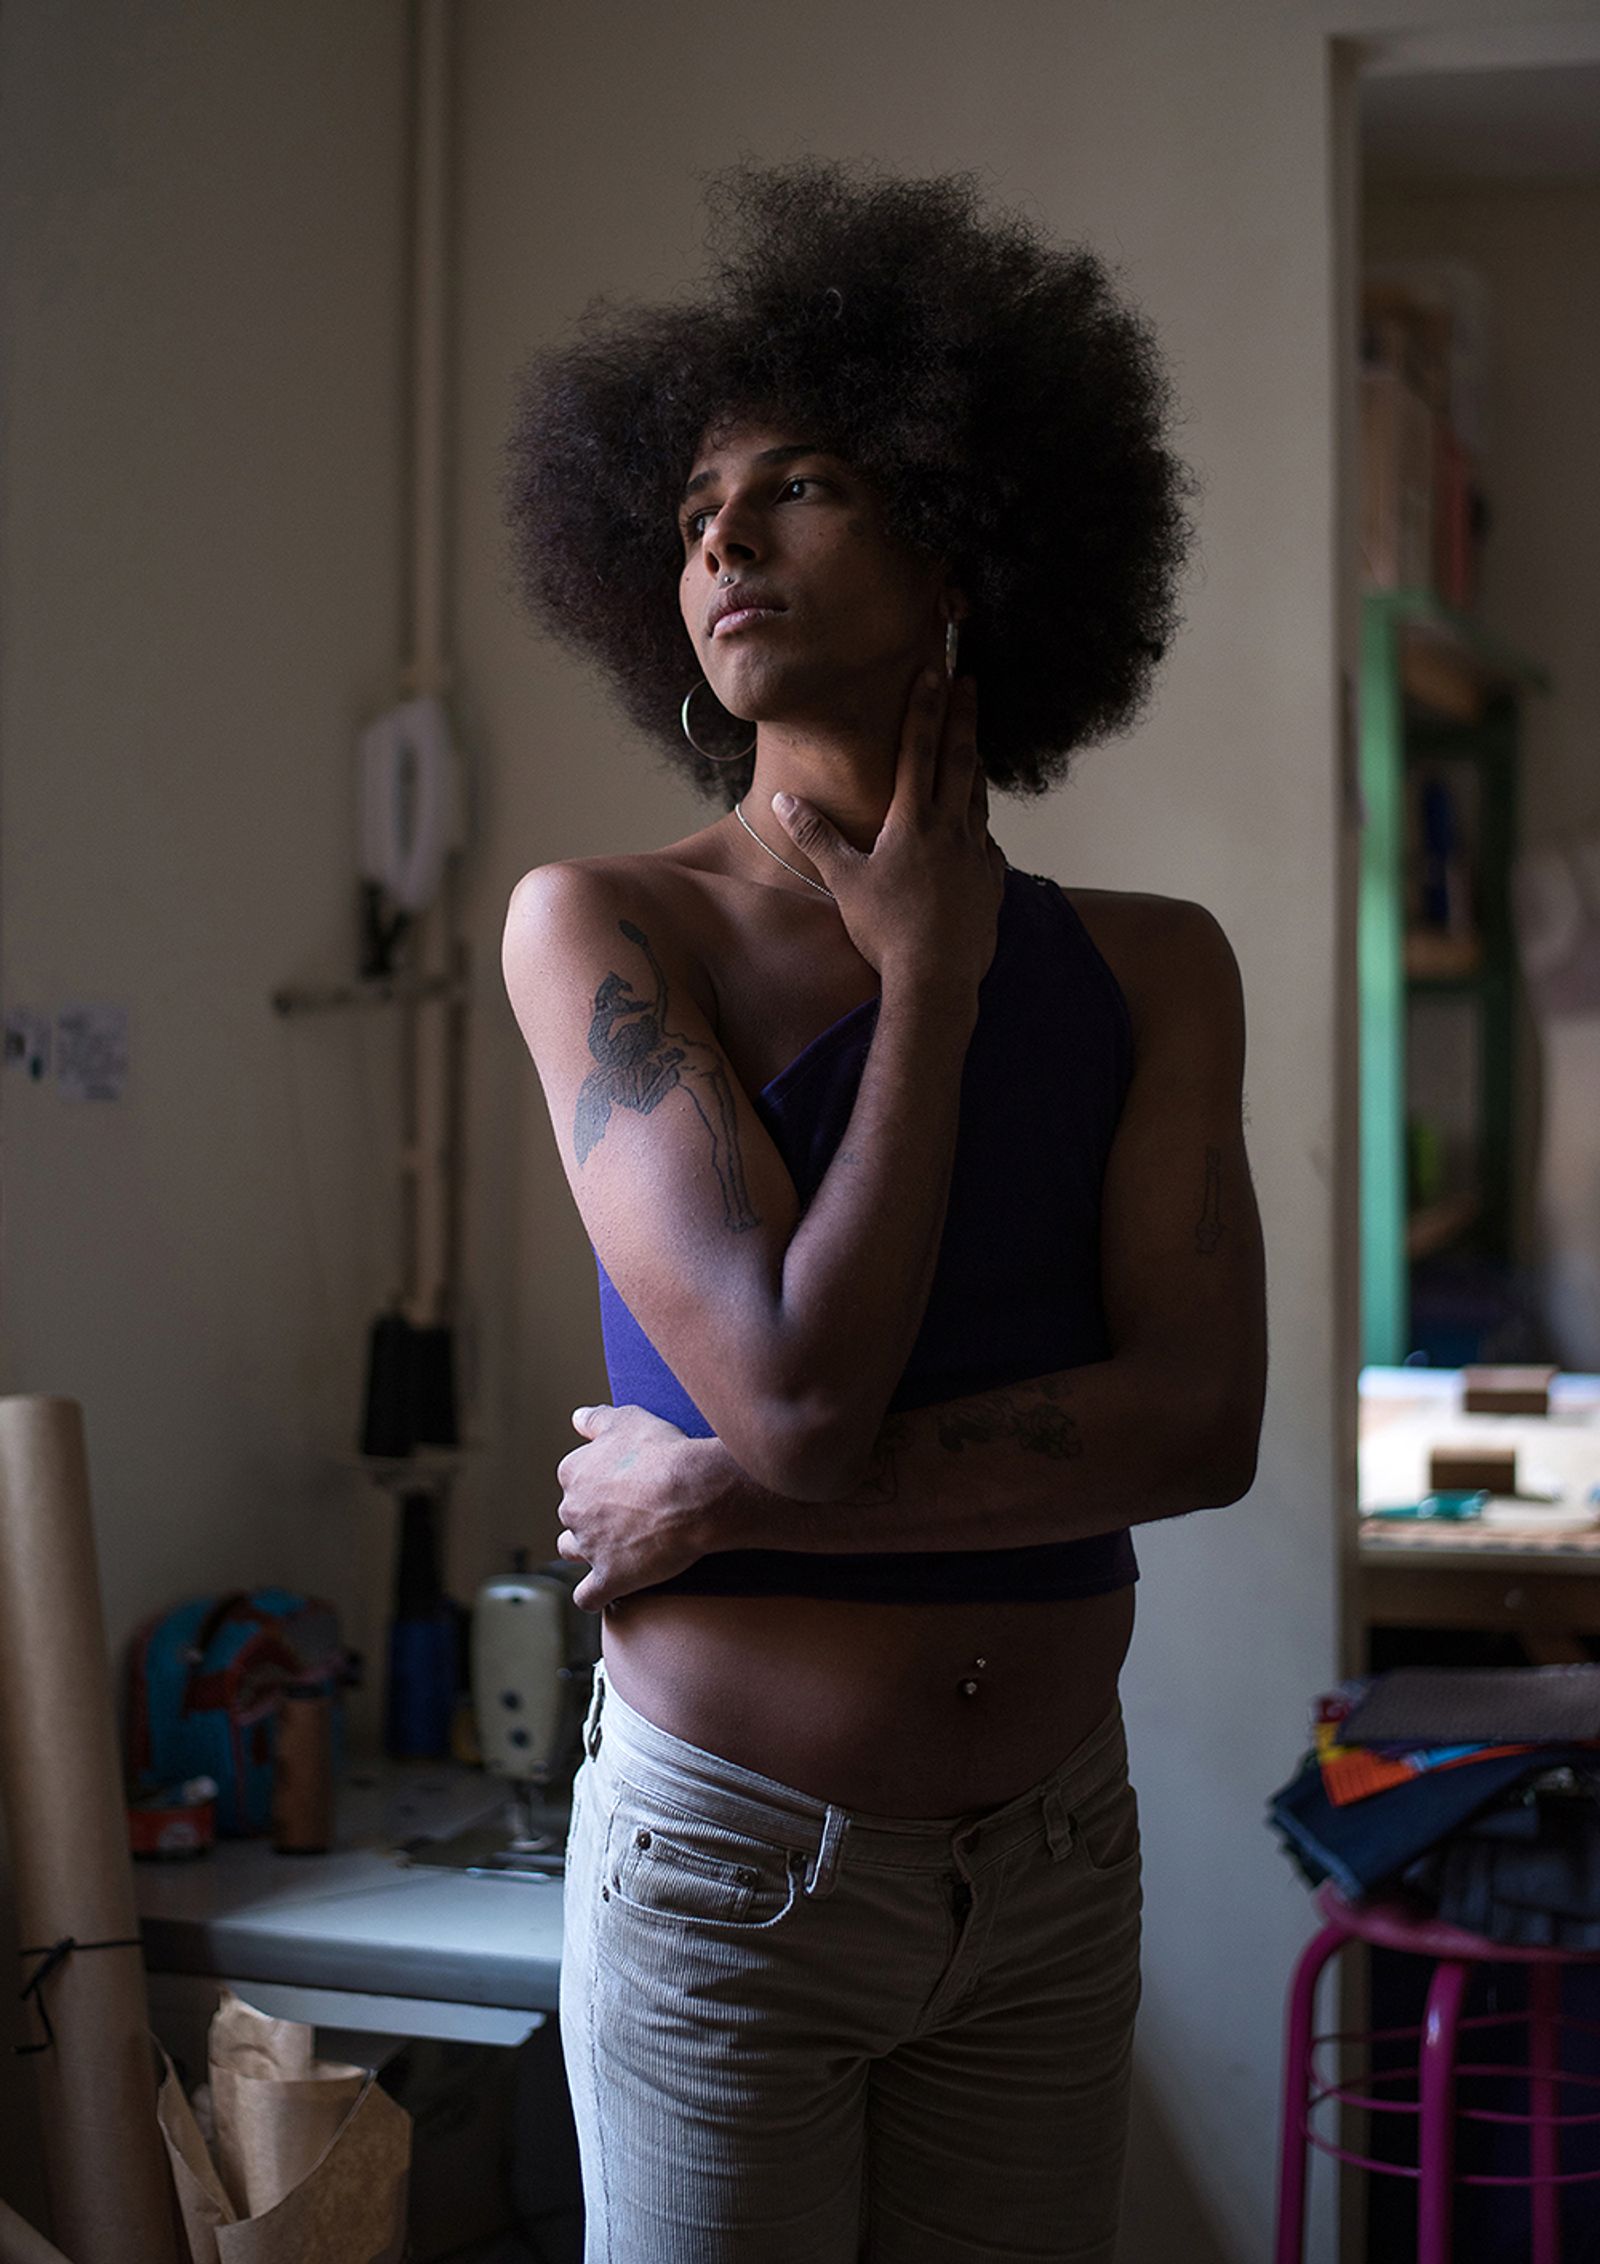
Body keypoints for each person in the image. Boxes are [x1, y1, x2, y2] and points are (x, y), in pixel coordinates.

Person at [500, 158, 1268, 2264]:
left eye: (800, 485)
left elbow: (1197, 1428)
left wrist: (725, 1510)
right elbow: (799, 1394)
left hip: (1046, 1870)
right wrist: (928, 978)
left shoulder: (1153, 964)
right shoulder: (602, 927)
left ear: (964, 538)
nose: (723, 538)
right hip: (723, 1877)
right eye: (685, 517)